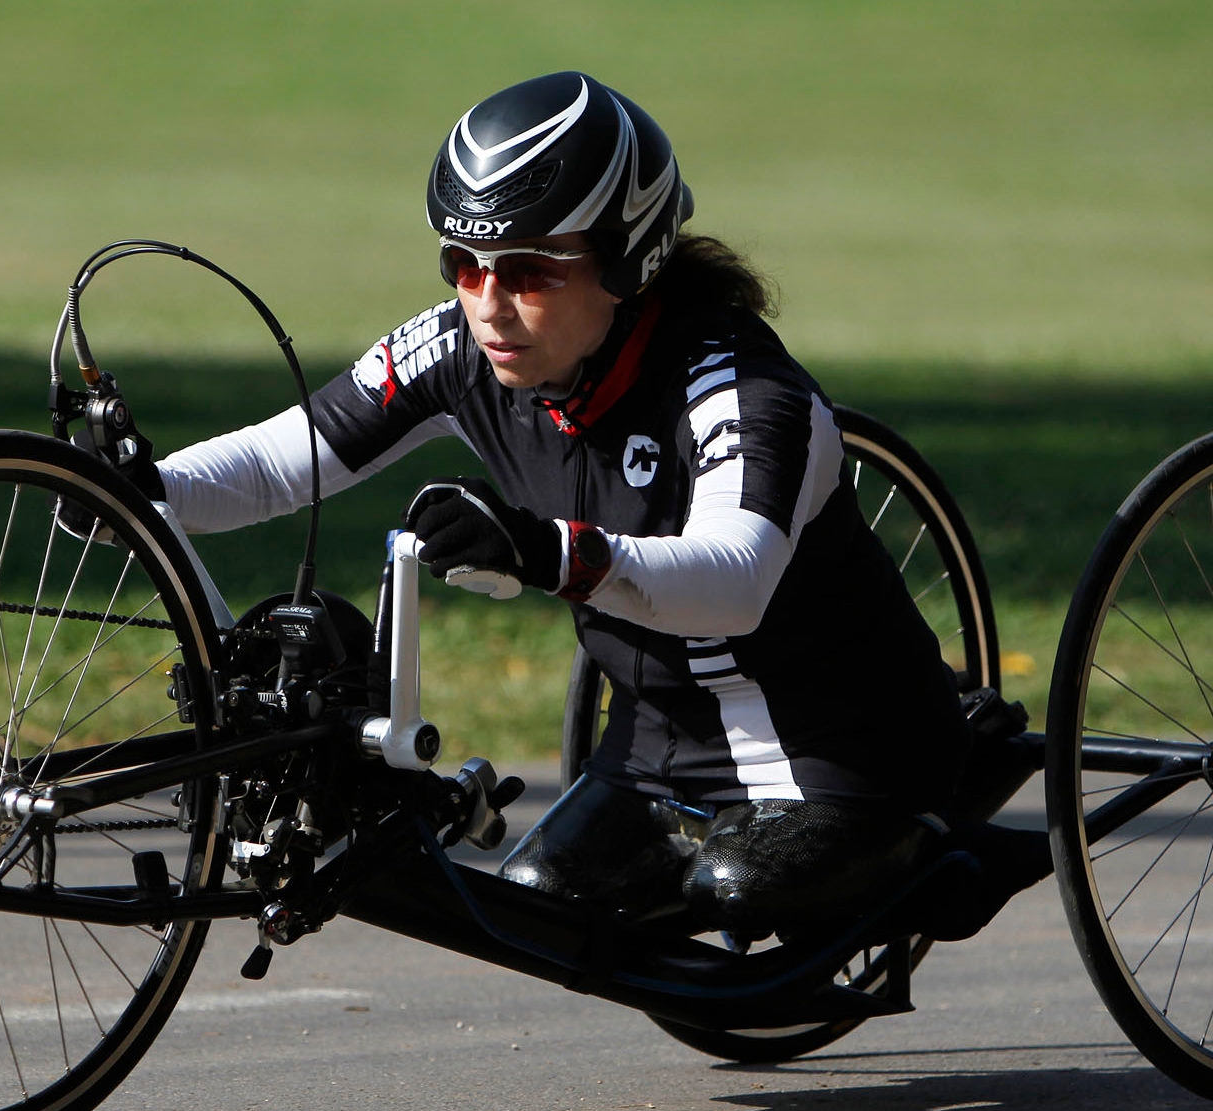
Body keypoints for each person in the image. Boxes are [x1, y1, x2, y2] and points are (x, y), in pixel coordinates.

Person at [136, 72, 1035, 938]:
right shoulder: (463, 350)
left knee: (733, 889)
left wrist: (544, 552)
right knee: (535, 907)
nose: (489, 304)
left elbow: (736, 580)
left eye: (529, 270)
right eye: (463, 263)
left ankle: (948, 838)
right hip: (650, 753)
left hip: (840, 751)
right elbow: (281, 459)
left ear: (628, 259)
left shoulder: (745, 391)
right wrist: (143, 494)